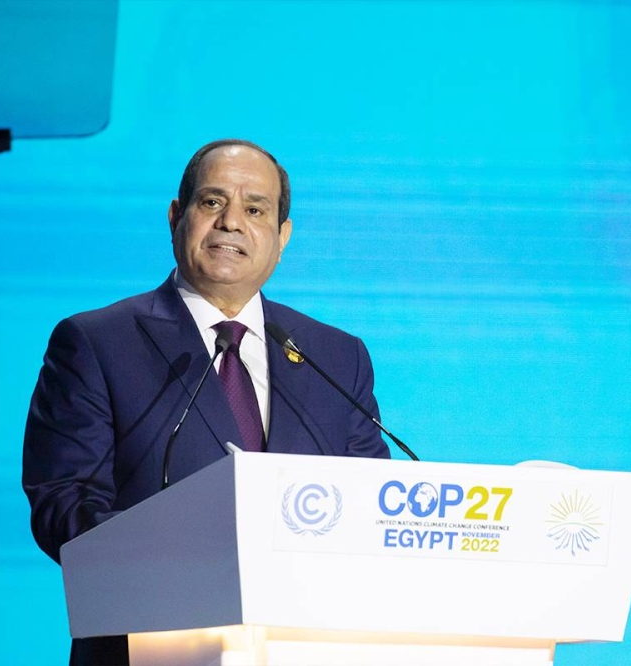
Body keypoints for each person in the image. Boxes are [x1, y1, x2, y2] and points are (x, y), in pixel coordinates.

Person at [22, 139, 391, 665]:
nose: (231, 223)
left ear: (283, 236)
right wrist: (192, 564)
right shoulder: (97, 342)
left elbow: (373, 506)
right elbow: (64, 505)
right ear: (177, 217)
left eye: (255, 209)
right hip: (150, 643)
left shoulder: (335, 355)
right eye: (213, 202)